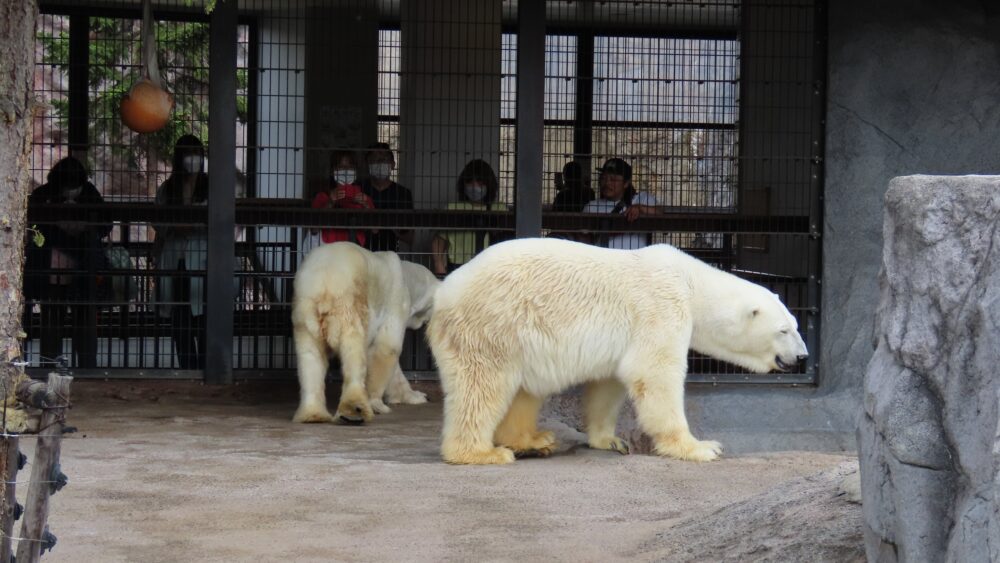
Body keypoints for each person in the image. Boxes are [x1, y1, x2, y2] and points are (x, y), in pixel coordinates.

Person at [24, 156, 111, 368]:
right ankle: (49, 365)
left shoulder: (89, 193)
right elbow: (33, 226)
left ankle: (87, 366)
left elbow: (105, 223)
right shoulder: (43, 194)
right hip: (52, 268)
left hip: (83, 269)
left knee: (85, 319)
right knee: (52, 319)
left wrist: (79, 228)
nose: (71, 190)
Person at [153, 134, 210, 370]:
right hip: (175, 260)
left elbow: (218, 219)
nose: (193, 160)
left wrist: (187, 223)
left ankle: (207, 367)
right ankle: (187, 368)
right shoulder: (168, 188)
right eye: (188, 155)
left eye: (197, 154)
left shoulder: (211, 186)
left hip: (204, 260)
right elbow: (158, 220)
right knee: (180, 318)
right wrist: (177, 225)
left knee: (206, 315)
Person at [431, 159, 502, 276]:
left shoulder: (499, 209)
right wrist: (439, 265)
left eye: (480, 182)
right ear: (463, 184)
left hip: (491, 269)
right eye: (469, 181)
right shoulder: (453, 208)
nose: (475, 186)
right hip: (458, 268)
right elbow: (439, 240)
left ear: (489, 184)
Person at [582, 157, 658, 250]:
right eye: (603, 178)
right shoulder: (592, 207)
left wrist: (640, 208)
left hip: (635, 261)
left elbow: (659, 213)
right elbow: (584, 238)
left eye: (613, 179)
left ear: (626, 183)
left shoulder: (642, 199)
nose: (607, 183)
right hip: (603, 261)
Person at [358, 142, 414, 252]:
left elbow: (410, 238)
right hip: (360, 253)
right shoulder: (358, 189)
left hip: (390, 254)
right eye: (374, 159)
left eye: (384, 159)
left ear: (392, 165)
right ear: (367, 164)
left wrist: (388, 224)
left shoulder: (403, 193)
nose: (379, 163)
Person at [311, 149, 373, 246]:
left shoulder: (364, 198)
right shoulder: (322, 197)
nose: (346, 170)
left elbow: (375, 230)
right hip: (329, 251)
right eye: (341, 167)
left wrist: (366, 207)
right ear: (333, 171)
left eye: (350, 167)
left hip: (354, 251)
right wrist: (330, 203)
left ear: (356, 171)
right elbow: (314, 229)